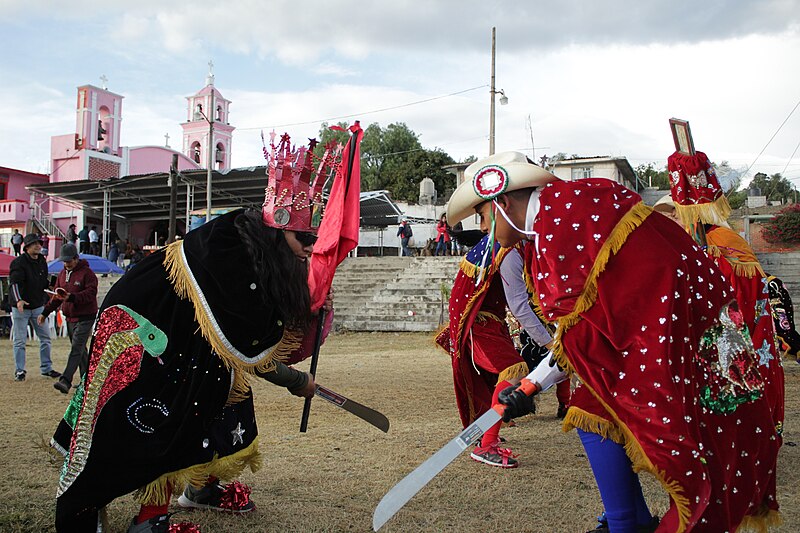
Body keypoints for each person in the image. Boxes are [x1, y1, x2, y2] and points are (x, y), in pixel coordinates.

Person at [446, 151, 781, 532]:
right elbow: (583, 331)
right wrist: (532, 384)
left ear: (502, 201)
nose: (485, 226)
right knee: (592, 407)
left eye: (484, 215)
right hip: (665, 327)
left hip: (678, 333)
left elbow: (580, 332)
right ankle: (628, 521)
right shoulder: (557, 217)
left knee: (680, 447)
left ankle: (631, 523)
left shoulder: (560, 220)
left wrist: (534, 383)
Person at [51, 134, 339, 533]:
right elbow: (248, 351)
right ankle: (142, 516)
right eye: (304, 239)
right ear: (278, 229)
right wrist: (296, 382)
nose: (309, 249)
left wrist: (309, 310)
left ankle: (202, 488)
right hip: (146, 335)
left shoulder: (258, 250)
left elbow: (247, 345)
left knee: (221, 396)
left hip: (190, 347)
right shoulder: (233, 256)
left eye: (315, 240)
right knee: (161, 416)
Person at [435, 233, 529, 468]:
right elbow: (520, 304)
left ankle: (485, 432)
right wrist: (549, 341)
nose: (483, 225)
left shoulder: (501, 244)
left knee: (497, 377)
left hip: (486, 322)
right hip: (482, 324)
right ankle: (486, 445)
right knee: (512, 371)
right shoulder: (508, 247)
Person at [499, 242, 571, 418]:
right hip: (529, 322)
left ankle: (566, 402)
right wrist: (529, 386)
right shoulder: (512, 252)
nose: (485, 227)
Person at [38, 243, 98, 394]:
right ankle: (87, 381)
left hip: (85, 317)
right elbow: (57, 298)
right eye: (64, 261)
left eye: (69, 261)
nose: (66, 264)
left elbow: (90, 294)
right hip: (70, 317)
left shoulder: (88, 274)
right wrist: (45, 313)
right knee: (81, 351)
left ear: (76, 258)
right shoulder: (62, 274)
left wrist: (71, 297)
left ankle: (65, 380)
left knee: (76, 348)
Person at [9, 233, 59, 381]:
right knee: (20, 340)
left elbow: (43, 281)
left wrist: (52, 288)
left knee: (45, 338)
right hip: (21, 308)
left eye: (39, 243)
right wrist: (19, 300)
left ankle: (46, 368)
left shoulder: (42, 261)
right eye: (34, 244)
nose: (38, 246)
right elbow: (14, 284)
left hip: (38, 306)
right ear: (27, 247)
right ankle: (20, 370)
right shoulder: (18, 263)